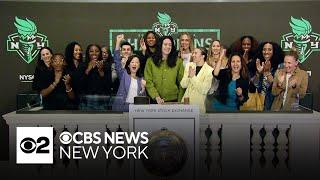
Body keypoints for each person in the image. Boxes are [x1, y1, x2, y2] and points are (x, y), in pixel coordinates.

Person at [144, 36, 184, 104]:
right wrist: (156, 96)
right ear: (160, 46)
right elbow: (148, 81)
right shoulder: (150, 61)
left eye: (170, 45)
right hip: (155, 100)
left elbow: (181, 83)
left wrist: (180, 101)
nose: (168, 47)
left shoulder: (178, 62)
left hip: (173, 101)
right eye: (165, 44)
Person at [180, 47, 213, 113]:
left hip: (198, 107)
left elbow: (204, 90)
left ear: (203, 56)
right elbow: (183, 85)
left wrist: (193, 77)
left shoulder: (210, 70)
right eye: (193, 53)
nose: (193, 55)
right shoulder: (189, 65)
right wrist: (189, 76)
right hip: (185, 104)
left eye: (196, 53)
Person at [253, 42, 284, 110]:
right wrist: (258, 73)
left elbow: (278, 87)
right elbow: (255, 85)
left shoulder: (281, 66)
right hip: (261, 104)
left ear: (274, 51)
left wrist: (268, 73)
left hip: (274, 104)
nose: (266, 52)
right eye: (264, 49)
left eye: (269, 49)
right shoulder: (260, 64)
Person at [80, 44, 112, 110]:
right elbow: (80, 85)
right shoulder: (82, 65)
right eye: (91, 51)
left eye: (97, 51)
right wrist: (88, 69)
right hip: (86, 100)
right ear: (87, 53)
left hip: (102, 100)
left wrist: (101, 71)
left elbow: (109, 85)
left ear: (100, 53)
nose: (94, 53)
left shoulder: (106, 65)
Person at [64, 41, 86, 107]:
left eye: (80, 50)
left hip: (83, 100)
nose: (79, 52)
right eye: (76, 50)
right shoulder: (65, 66)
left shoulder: (84, 65)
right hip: (68, 101)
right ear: (70, 51)